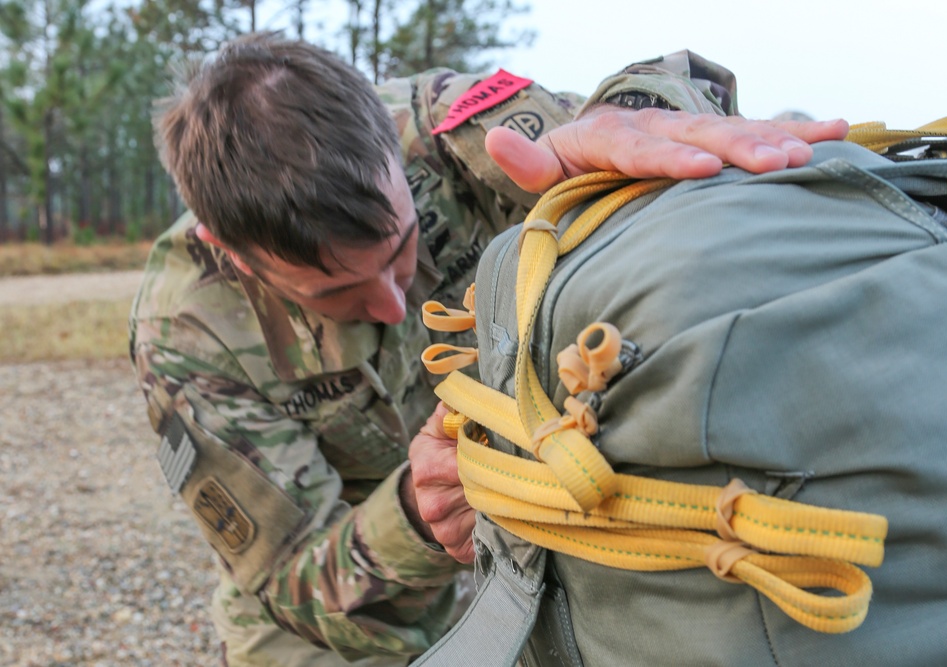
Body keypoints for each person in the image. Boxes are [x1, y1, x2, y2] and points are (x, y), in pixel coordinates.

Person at [128, 32, 847, 666]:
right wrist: (417, 513)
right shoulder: (190, 332)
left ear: (389, 136)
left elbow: (639, 113)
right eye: (335, 292)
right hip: (347, 602)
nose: (390, 301)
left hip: (531, 518)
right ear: (232, 252)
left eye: (402, 250)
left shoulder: (443, 126)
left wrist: (615, 126)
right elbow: (295, 581)